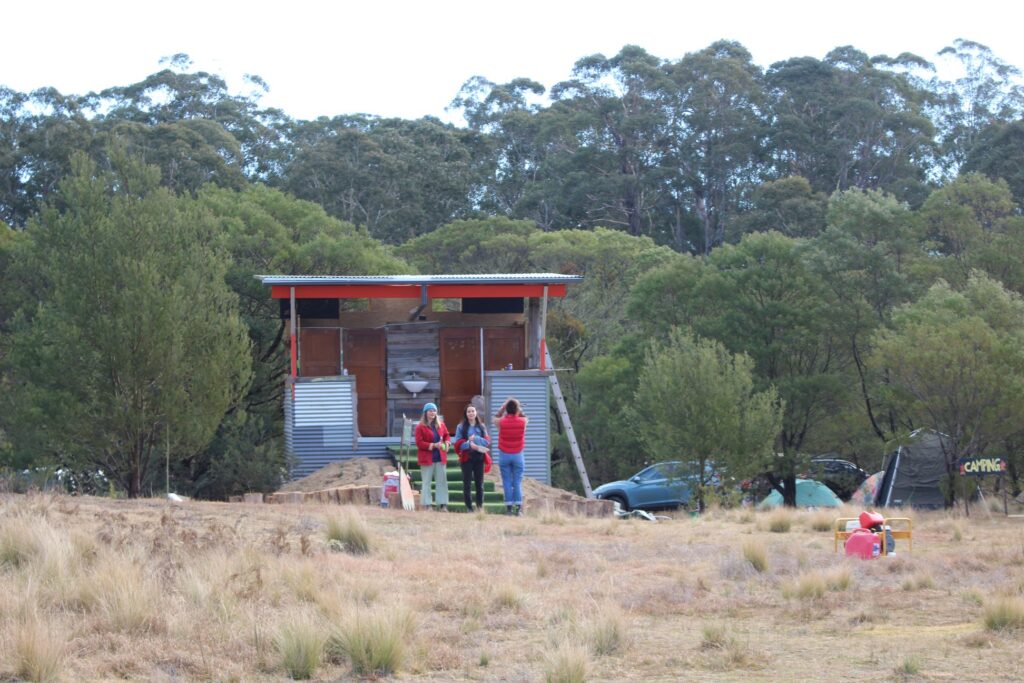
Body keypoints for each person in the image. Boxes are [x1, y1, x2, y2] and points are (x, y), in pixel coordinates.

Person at [493, 397, 528, 516]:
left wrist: (503, 407)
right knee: (517, 482)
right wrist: (519, 408)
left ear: (506, 409)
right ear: (517, 409)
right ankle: (518, 509)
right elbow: (524, 416)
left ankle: (508, 508)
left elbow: (495, 417)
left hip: (504, 454)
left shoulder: (501, 422)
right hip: (518, 454)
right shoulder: (523, 422)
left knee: (506, 481)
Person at [453, 404, 490, 512]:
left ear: (476, 412)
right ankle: (469, 507)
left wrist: (476, 439)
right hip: (467, 458)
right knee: (467, 484)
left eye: (473, 411)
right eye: (468, 411)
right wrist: (469, 444)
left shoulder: (482, 426)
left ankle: (479, 507)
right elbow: (458, 444)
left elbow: (486, 442)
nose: (471, 413)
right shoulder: (460, 427)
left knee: (480, 484)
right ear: (466, 414)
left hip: (479, 457)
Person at [415, 402, 451, 511]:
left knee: (442, 481)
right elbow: (419, 443)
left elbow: (447, 435)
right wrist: (433, 445)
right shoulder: (420, 427)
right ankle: (427, 505)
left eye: (434, 410)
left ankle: (443, 504)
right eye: (430, 410)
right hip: (427, 458)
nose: (433, 412)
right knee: (426, 482)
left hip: (440, 457)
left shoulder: (441, 425)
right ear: (425, 412)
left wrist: (447, 443)